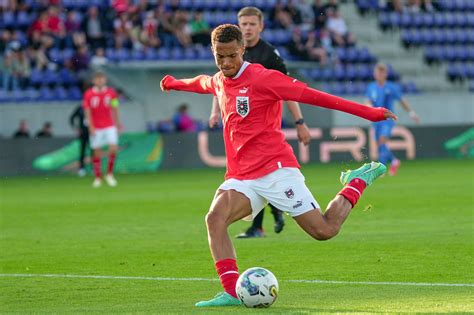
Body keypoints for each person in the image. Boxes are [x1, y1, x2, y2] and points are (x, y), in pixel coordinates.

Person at [160, 24, 397, 307]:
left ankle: (358, 180)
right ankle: (233, 293)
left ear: (242, 50)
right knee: (214, 219)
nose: (225, 63)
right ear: (213, 52)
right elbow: (201, 82)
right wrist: (173, 83)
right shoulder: (219, 80)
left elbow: (315, 96)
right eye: (219, 56)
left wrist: (367, 112)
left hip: (276, 170)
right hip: (242, 176)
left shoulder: (264, 78)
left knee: (325, 230)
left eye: (232, 56)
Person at [209, 7, 312, 239]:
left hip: (265, 122)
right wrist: (215, 111)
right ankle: (265, 220)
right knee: (248, 175)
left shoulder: (269, 55)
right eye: (243, 24)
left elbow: (289, 90)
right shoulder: (229, 50)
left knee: (260, 172)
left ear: (260, 26)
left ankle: (267, 217)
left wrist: (299, 121)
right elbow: (220, 86)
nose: (247, 28)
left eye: (252, 24)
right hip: (240, 123)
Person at [365, 63, 420, 176]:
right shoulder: (371, 87)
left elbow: (402, 101)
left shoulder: (391, 87)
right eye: (377, 72)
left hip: (387, 119)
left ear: (385, 74)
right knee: (380, 144)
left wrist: (411, 113)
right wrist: (368, 109)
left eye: (382, 72)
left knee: (382, 140)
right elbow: (367, 101)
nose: (379, 75)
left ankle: (381, 169)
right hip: (376, 120)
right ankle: (394, 161)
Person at [83, 72, 122, 187]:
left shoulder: (111, 93)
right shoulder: (88, 94)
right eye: (97, 79)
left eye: (102, 79)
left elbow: (115, 107)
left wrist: (118, 123)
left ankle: (109, 174)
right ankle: (97, 177)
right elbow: (87, 111)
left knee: (113, 148)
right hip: (96, 126)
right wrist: (90, 126)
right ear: (94, 81)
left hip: (109, 125)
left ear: (105, 80)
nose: (100, 81)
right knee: (97, 151)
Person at [69, 104, 89, 177]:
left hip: (92, 132)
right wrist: (76, 128)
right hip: (83, 133)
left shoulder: (93, 106)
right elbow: (71, 118)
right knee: (82, 151)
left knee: (95, 150)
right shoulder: (80, 108)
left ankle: (94, 168)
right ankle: (82, 168)